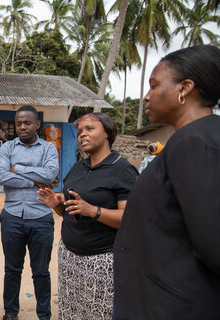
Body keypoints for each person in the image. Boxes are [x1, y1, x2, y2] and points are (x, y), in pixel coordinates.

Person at [113, 45, 220, 319]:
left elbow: (212, 244)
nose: (146, 97)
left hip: (170, 305)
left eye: (154, 86)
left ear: (184, 88)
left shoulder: (194, 142)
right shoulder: (194, 139)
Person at [37, 112, 138, 320]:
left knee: (98, 314)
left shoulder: (122, 169)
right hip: (70, 259)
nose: (83, 135)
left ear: (107, 134)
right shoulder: (78, 167)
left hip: (101, 264)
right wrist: (57, 205)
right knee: (71, 312)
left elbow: (131, 220)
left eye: (90, 129)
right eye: (80, 131)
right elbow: (71, 211)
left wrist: (94, 211)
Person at [0, 105, 59, 320]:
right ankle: (11, 313)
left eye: (27, 122)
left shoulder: (49, 149)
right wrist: (35, 180)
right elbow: (1, 176)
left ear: (37, 124)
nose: (22, 127)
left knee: (41, 271)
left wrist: (18, 169)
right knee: (12, 269)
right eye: (19, 123)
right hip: (12, 216)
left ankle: (44, 315)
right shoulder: (7, 148)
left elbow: (50, 175)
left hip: (41, 217)